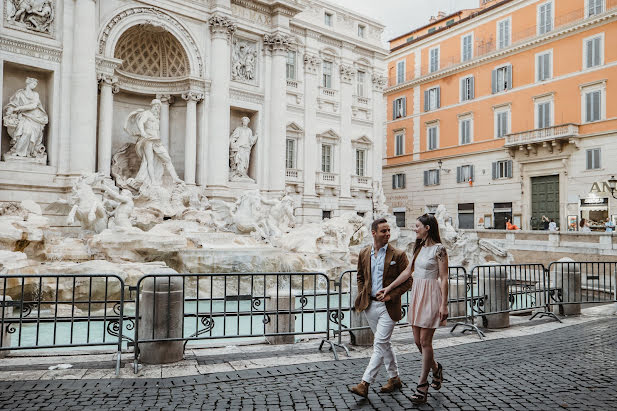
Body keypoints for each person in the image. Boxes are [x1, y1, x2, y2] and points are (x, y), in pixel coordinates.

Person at [377, 214, 449, 404]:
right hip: (418, 294)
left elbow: (444, 278)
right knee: (418, 342)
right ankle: (436, 369)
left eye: (417, 226)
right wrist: (389, 287)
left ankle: (422, 385)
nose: (414, 229)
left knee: (425, 341)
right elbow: (408, 272)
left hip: (431, 294)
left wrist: (444, 304)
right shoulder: (418, 247)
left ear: (427, 228)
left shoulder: (440, 249)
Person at [348, 218, 412, 398]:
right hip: (369, 306)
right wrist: (363, 293)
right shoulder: (364, 253)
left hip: (388, 307)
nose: (388, 234)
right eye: (383, 231)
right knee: (384, 344)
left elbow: (409, 281)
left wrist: (391, 295)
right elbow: (360, 276)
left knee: (379, 344)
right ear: (373, 233)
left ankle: (365, 383)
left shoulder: (398, 255)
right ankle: (394, 378)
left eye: (389, 230)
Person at [124, 99, 183, 188]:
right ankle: (153, 181)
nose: (157, 108)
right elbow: (140, 123)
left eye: (158, 107)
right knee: (149, 161)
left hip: (156, 140)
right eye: (156, 106)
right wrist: (143, 132)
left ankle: (175, 178)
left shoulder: (156, 118)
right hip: (148, 139)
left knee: (167, 159)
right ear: (152, 106)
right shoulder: (147, 113)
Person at [3, 77, 48, 158]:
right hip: (23, 116)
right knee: (24, 132)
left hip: (35, 117)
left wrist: (19, 108)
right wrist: (10, 111)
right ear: (28, 83)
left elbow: (34, 105)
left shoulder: (35, 94)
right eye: (34, 84)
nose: (35, 86)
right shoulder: (20, 94)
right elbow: (13, 104)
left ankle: (27, 152)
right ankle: (19, 151)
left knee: (29, 133)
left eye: (36, 84)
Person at [229, 116, 258, 181]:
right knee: (239, 161)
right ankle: (238, 174)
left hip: (246, 148)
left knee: (245, 162)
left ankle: (243, 174)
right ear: (242, 122)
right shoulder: (238, 129)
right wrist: (232, 144)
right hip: (240, 147)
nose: (245, 122)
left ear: (248, 122)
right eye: (244, 121)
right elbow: (234, 137)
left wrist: (256, 136)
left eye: (246, 121)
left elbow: (251, 140)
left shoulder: (249, 130)